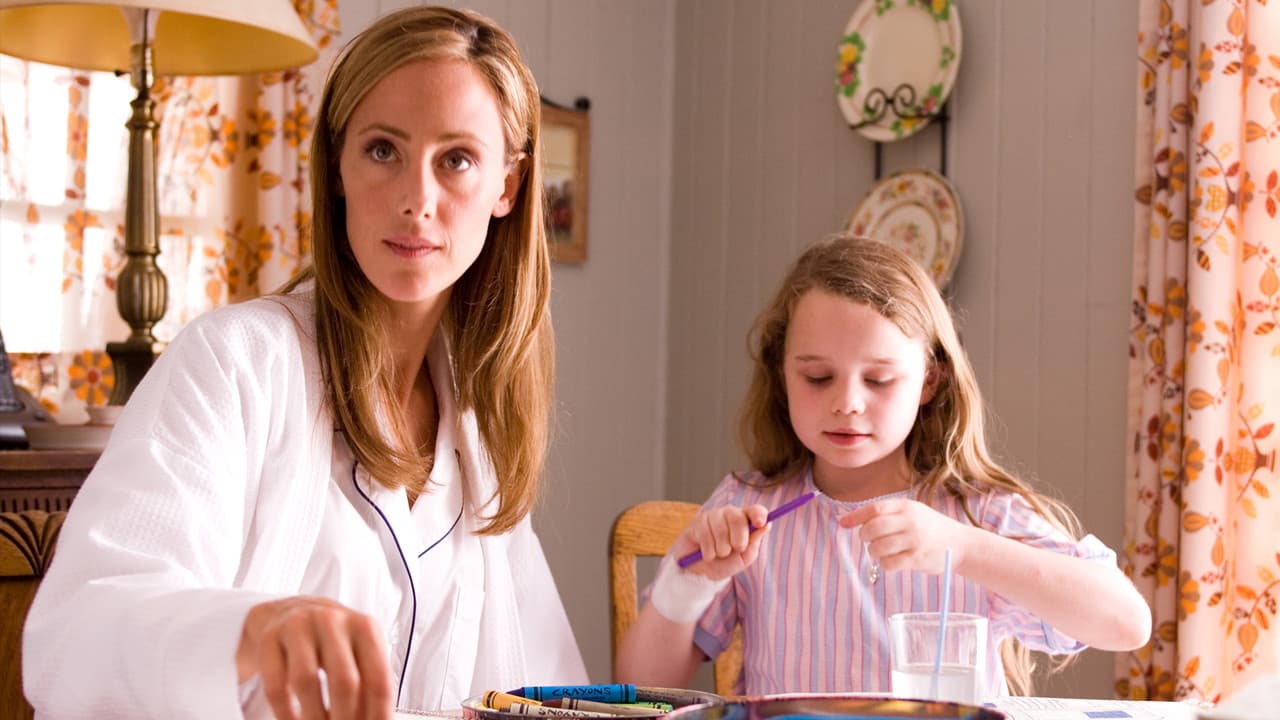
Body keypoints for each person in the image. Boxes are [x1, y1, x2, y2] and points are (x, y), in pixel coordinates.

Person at [23, 6, 587, 718]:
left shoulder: (480, 431)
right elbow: (74, 636)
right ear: (338, 165)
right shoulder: (233, 364)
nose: (416, 200)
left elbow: (550, 684)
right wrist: (249, 631)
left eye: (456, 160)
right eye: (383, 150)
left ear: (508, 185)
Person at [615, 235, 1151, 697]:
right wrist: (687, 585)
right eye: (818, 378)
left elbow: (1126, 622)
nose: (847, 403)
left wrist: (965, 549)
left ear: (930, 381)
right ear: (782, 375)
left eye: (878, 379)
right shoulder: (748, 507)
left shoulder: (977, 515)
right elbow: (642, 689)